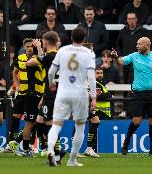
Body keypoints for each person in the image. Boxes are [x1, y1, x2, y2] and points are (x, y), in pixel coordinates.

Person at [47, 27, 96, 167]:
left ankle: (51, 150)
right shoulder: (89, 53)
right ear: (84, 39)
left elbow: (51, 72)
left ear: (71, 37)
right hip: (80, 94)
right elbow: (91, 77)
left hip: (63, 93)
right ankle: (72, 159)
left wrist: (51, 84)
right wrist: (93, 97)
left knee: (56, 124)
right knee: (80, 126)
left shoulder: (62, 50)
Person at [26, 32, 65, 163]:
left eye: (42, 41)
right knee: (39, 122)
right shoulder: (60, 56)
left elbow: (29, 63)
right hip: (49, 95)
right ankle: (55, 152)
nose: (41, 43)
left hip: (52, 96)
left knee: (49, 125)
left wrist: (38, 47)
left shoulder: (50, 56)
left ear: (47, 42)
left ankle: (56, 155)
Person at [8, 38, 45, 157]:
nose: (29, 48)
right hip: (32, 95)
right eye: (27, 46)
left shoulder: (34, 59)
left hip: (37, 94)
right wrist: (16, 86)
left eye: (31, 46)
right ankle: (24, 147)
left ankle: (19, 144)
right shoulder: (33, 60)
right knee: (30, 122)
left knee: (35, 122)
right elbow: (42, 59)